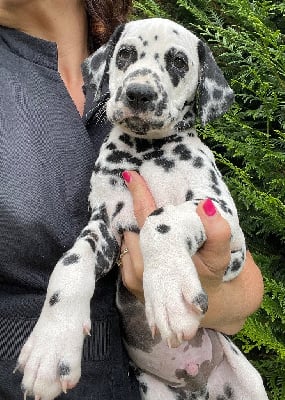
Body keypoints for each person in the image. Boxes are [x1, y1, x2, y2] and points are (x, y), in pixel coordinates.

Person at [0, 1, 264, 399]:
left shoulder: (129, 45)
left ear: (201, 90)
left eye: (176, 65)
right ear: (109, 69)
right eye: (128, 59)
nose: (141, 83)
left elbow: (241, 286)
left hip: (203, 368)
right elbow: (100, 234)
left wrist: (173, 264)